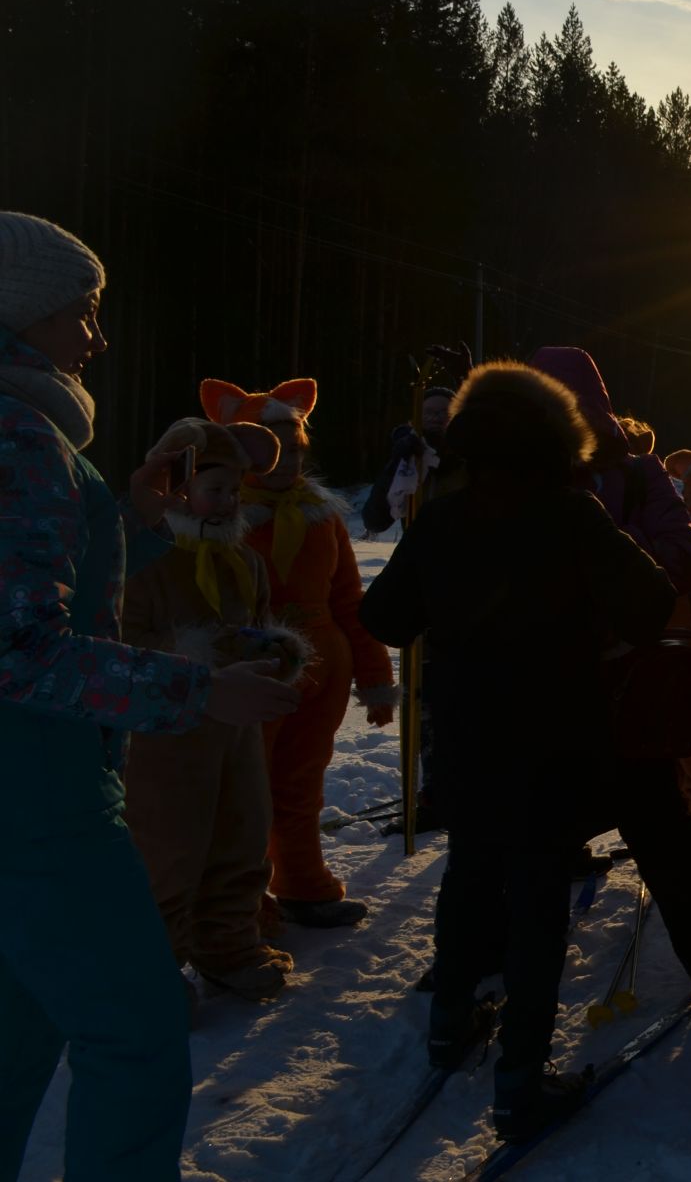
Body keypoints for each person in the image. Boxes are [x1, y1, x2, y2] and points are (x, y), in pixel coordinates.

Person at [0, 211, 301, 1181]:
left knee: (24, 1030)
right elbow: (18, 647)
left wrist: (126, 514)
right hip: (39, 801)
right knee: (135, 1032)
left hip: (24, 796)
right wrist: (198, 692)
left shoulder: (27, 428)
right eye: (81, 313)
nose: (96, 336)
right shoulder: (21, 439)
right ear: (21, 315)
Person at [360, 360, 680, 1140]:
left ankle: (449, 1021)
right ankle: (521, 1079)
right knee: (537, 899)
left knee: (469, 872)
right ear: (556, 440)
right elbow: (651, 609)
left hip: (465, 734)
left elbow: (384, 619)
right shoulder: (574, 517)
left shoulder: (441, 518)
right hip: (554, 737)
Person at [527, 346, 691, 1018]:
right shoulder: (512, 476)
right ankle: (495, 967)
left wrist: (609, 563)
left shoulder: (634, 472)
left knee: (660, 828)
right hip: (546, 687)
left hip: (627, 684)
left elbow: (685, 553)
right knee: (538, 837)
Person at [122, 416, 311, 1005]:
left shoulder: (244, 561)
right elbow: (123, 640)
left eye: (234, 490)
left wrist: (275, 651)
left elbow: (253, 624)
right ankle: (151, 973)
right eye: (215, 488)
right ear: (177, 488)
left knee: (242, 834)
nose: (228, 500)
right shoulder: (144, 558)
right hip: (166, 737)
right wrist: (194, 665)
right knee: (170, 851)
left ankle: (229, 943)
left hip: (236, 731)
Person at [201, 376, 398, 928]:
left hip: (323, 671)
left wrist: (375, 677)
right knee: (245, 790)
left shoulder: (322, 514)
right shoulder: (218, 514)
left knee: (301, 783)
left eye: (296, 446)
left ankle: (303, 883)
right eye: (273, 447)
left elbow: (349, 600)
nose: (287, 458)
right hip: (253, 669)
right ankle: (243, 903)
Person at [528, 347, 691, 594]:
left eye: (567, 412)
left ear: (589, 411)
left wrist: (606, 538)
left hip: (623, 630)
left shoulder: (641, 474)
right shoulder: (512, 480)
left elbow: (687, 562)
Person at [360, 385, 455, 536]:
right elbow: (375, 521)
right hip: (418, 553)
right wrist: (395, 467)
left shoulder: (469, 459)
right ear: (416, 418)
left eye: (445, 413)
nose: (436, 418)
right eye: (429, 413)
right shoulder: (408, 461)